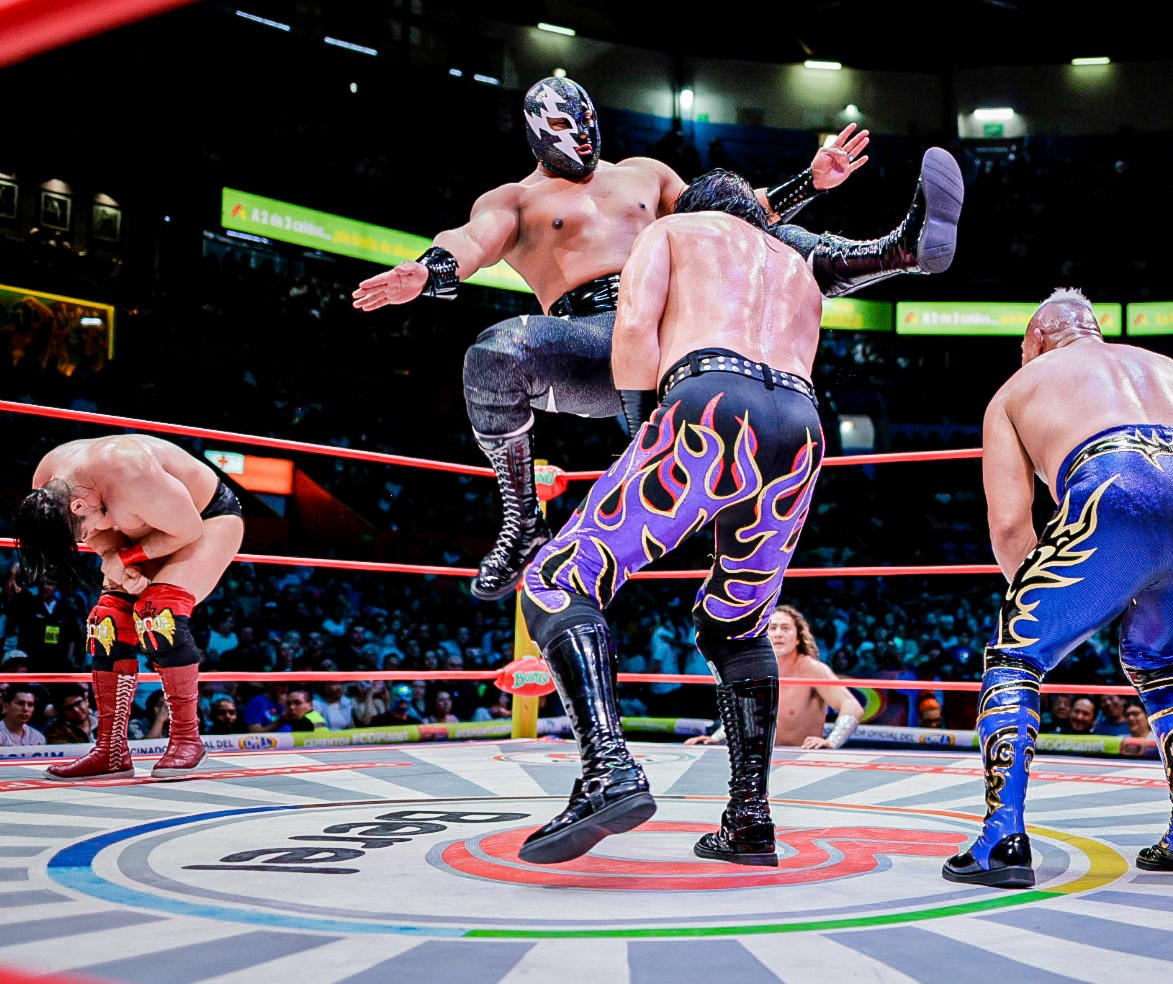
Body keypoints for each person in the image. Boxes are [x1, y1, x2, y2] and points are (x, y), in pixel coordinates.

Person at [352, 77, 963, 601]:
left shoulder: (645, 173)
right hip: (595, 339)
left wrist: (809, 182)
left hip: (688, 314)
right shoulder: (516, 199)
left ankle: (898, 251)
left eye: (588, 123)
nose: (582, 137)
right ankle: (522, 521)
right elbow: (470, 240)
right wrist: (426, 271)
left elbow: (732, 216)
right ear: (538, 132)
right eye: (566, 126)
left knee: (746, 236)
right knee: (494, 353)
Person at [517, 169, 827, 868]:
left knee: (556, 579)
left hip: (709, 402)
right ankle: (750, 822)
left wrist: (639, 428)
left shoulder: (674, 228)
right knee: (738, 624)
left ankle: (608, 768)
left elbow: (633, 327)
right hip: (801, 427)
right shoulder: (794, 263)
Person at [947, 287, 1173, 888]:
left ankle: (1002, 840)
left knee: (1015, 658)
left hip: (1116, 480)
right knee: (1160, 658)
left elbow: (1009, 526)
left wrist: (1055, 614)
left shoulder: (1019, 387)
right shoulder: (1170, 370)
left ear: (1035, 339)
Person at [16, 435, 245, 780]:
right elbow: (95, 532)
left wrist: (126, 558)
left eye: (79, 536)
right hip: (139, 530)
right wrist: (114, 558)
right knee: (106, 623)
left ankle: (187, 740)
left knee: (160, 615)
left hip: (204, 520)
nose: (83, 540)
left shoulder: (132, 471)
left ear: (77, 506)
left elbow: (186, 530)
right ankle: (111, 750)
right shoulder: (49, 482)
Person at [686, 606, 862, 749]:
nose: (778, 634)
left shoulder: (811, 669)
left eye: (785, 628)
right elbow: (741, 715)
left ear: (798, 638)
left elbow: (852, 706)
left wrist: (832, 741)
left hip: (804, 759)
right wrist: (715, 739)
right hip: (765, 762)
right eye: (772, 628)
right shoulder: (754, 670)